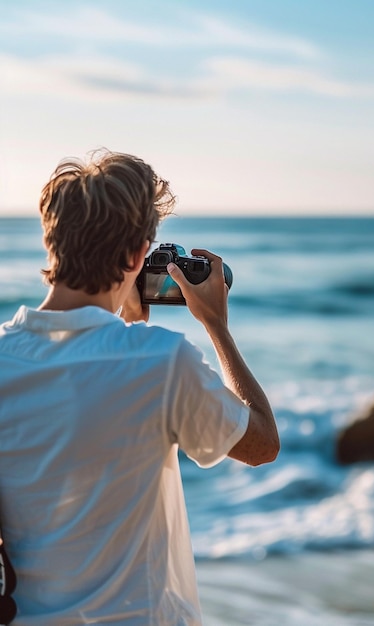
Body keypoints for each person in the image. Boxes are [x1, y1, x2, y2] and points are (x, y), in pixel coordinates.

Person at [0, 150, 279, 625]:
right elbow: (261, 444)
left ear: (52, 241)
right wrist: (217, 327)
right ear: (135, 255)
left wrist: (126, 325)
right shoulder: (160, 362)